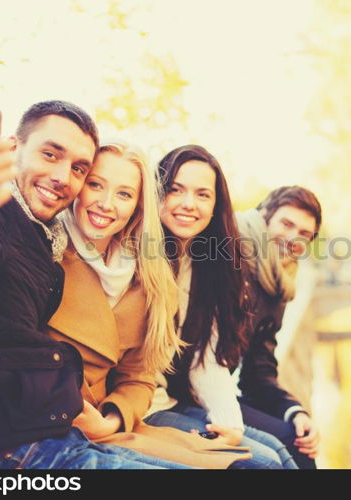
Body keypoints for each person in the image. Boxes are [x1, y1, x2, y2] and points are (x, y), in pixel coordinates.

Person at [0, 101, 194, 469]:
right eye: (50, 154)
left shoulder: (45, 246)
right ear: (13, 149)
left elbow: (140, 373)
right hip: (0, 449)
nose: (62, 177)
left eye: (77, 168)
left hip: (50, 430)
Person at [45, 139, 252, 468]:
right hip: (58, 425)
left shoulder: (147, 274)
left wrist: (113, 418)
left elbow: (144, 371)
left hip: (120, 415)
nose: (107, 203)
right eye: (96, 184)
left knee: (258, 460)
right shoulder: (47, 250)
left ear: (138, 205)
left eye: (124, 194)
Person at [142, 145, 296, 469]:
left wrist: (230, 425)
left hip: (170, 401)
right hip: (141, 409)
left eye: (202, 194)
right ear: (156, 192)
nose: (188, 204)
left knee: (280, 452)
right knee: (264, 464)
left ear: (215, 205)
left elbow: (207, 358)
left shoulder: (203, 264)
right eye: (175, 190)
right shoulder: (137, 255)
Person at [236, 186, 323, 469]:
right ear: (264, 216)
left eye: (304, 234)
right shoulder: (225, 255)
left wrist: (294, 411)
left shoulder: (278, 283)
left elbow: (258, 370)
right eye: (286, 224)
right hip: (180, 395)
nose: (292, 238)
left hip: (213, 392)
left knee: (298, 436)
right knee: (280, 453)